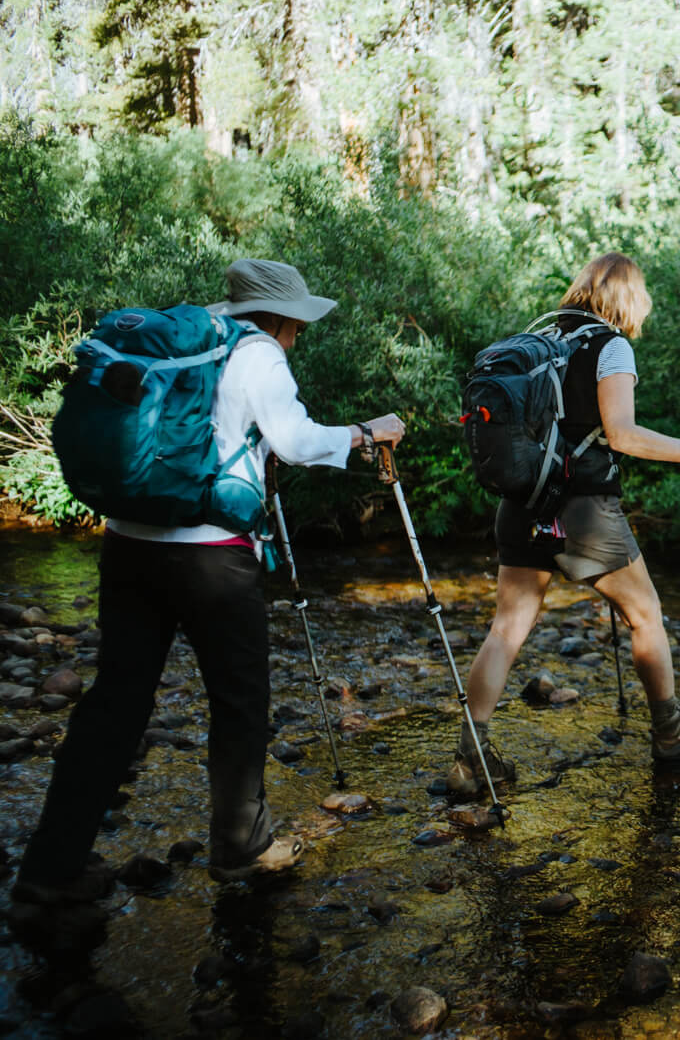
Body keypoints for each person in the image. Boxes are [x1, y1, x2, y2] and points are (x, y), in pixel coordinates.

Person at [11, 259, 405, 929]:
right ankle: (240, 848)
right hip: (210, 556)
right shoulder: (258, 355)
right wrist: (368, 433)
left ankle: (50, 868)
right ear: (281, 317)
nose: (299, 335)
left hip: (128, 543)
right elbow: (296, 440)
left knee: (115, 704)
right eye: (299, 324)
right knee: (240, 701)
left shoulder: (193, 333)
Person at [448, 253, 680, 793]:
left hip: (521, 503)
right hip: (582, 509)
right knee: (646, 614)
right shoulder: (610, 347)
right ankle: (671, 730)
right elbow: (624, 435)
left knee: (507, 629)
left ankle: (471, 758)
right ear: (628, 298)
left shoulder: (545, 338)